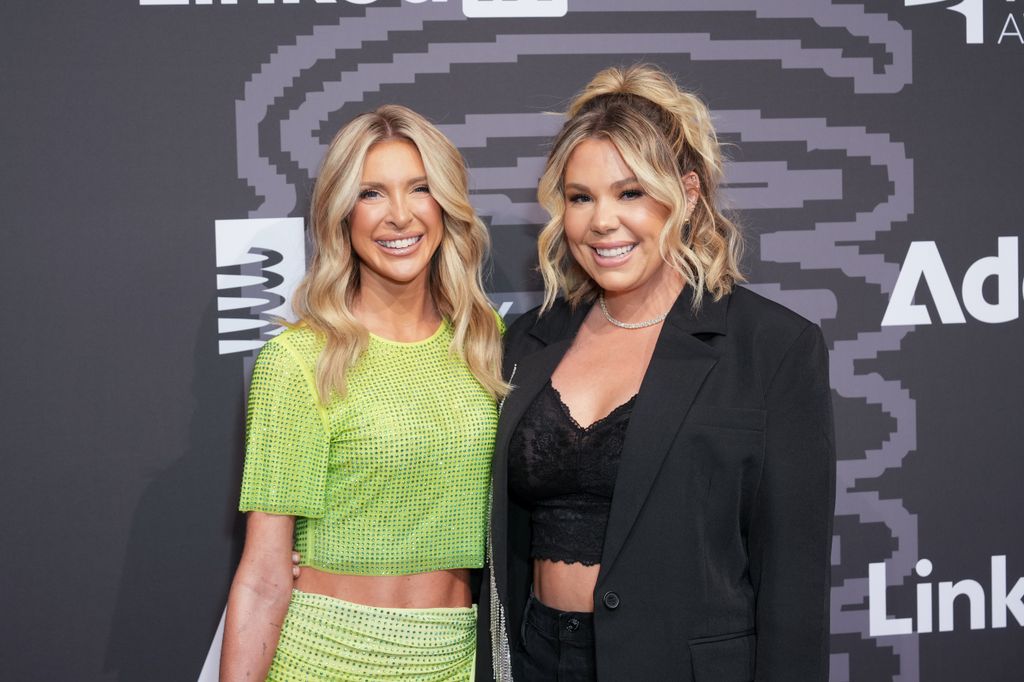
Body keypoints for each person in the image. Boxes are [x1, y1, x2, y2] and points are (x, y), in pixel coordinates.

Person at [479, 65, 836, 681]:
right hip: (538, 658)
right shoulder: (529, 340)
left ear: (688, 195)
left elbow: (792, 588)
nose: (602, 222)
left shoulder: (772, 348)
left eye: (630, 193)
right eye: (580, 197)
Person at [221, 104, 507, 681]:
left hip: (453, 656)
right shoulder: (301, 359)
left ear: (445, 204)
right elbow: (264, 575)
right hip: (325, 653)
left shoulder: (486, 343)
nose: (399, 216)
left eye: (420, 189)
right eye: (372, 193)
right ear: (341, 213)